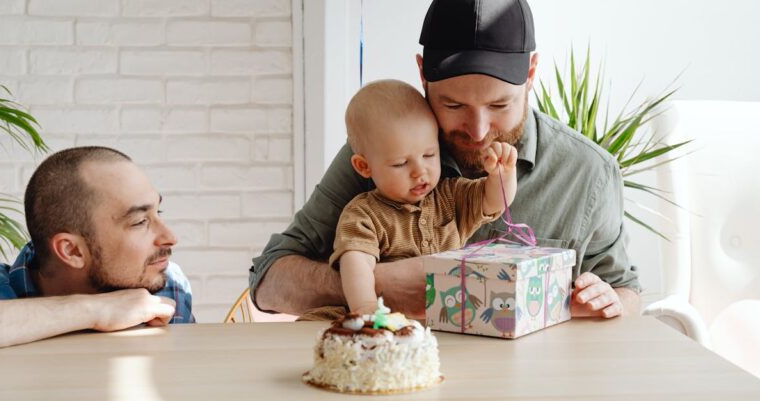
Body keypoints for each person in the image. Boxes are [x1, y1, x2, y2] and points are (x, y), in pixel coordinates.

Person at [251, 0, 641, 320]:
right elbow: (268, 281)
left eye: (499, 104)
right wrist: (376, 286)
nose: (477, 130)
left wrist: (610, 301)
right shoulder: (387, 154)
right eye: (453, 104)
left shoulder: (589, 173)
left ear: (531, 74)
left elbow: (628, 293)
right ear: (423, 76)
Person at [333, 79, 517, 314]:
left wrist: (503, 174)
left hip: (448, 317)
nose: (420, 171)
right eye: (400, 163)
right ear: (364, 166)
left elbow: (494, 202)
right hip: (389, 320)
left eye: (429, 155)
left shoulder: (451, 195)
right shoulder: (363, 215)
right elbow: (356, 263)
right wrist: (366, 308)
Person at [0, 146, 194, 349]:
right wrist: (98, 310)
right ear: (72, 251)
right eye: (140, 222)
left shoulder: (167, 286)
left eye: (158, 211)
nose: (170, 238)